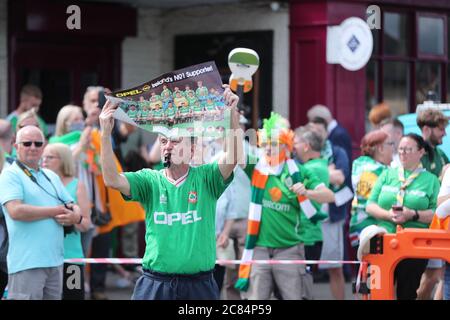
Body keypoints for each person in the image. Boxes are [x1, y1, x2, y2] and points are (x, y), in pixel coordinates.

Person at [99, 85, 241, 300]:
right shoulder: (149, 180)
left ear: (192, 149)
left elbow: (232, 156)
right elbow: (111, 179)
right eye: (163, 141)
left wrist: (231, 116)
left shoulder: (206, 178)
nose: (167, 147)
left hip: (198, 286)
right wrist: (105, 134)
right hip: (155, 283)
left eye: (175, 141)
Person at [235, 112, 334, 300]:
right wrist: (232, 117)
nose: (268, 149)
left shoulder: (300, 172)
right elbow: (235, 152)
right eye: (265, 145)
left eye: (274, 145)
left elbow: (329, 196)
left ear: (286, 147)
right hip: (259, 249)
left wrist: (307, 192)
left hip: (289, 250)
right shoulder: (256, 167)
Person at [0, 125, 82, 300]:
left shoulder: (50, 175)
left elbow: (73, 204)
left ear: (44, 146)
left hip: (55, 261)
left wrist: (76, 215)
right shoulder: (10, 175)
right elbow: (15, 211)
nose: (33, 147)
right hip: (26, 263)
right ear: (16, 146)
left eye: (38, 143)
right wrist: (56, 211)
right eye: (27, 143)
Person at [366, 133, 440, 300]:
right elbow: (370, 205)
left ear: (421, 152)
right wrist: (388, 214)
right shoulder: (387, 174)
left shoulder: (431, 180)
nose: (402, 153)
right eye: (400, 149)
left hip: (414, 243)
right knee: (377, 292)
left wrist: (412, 215)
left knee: (407, 293)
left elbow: (436, 214)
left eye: (408, 149)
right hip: (383, 239)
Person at [41, 143, 91, 300]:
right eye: (43, 157)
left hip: (71, 257)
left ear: (63, 160)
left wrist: (74, 219)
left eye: (50, 157)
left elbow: (86, 224)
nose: (44, 160)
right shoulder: (39, 183)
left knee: (73, 295)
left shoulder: (78, 185)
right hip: (43, 257)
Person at [308, 116, 351, 300]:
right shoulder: (304, 152)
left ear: (326, 132)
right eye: (313, 132)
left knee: (335, 267)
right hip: (308, 218)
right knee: (306, 267)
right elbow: (301, 178)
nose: (316, 135)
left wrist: (317, 173)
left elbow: (340, 178)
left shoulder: (337, 151)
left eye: (319, 131)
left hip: (332, 217)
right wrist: (329, 172)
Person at [293, 125, 330, 300]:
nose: (293, 147)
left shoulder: (311, 169)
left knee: (302, 288)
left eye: (296, 142)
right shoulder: (318, 165)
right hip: (309, 234)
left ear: (306, 145)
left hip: (307, 235)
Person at [416, 108, 448, 300]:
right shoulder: (416, 152)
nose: (444, 132)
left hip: (439, 224)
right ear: (427, 129)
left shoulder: (441, 154)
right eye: (441, 128)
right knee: (432, 276)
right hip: (420, 224)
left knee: (439, 275)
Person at [349, 130, 394, 250]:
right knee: (375, 268)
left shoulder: (360, 165)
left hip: (361, 227)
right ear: (380, 148)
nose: (394, 148)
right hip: (371, 228)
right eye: (391, 144)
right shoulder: (376, 170)